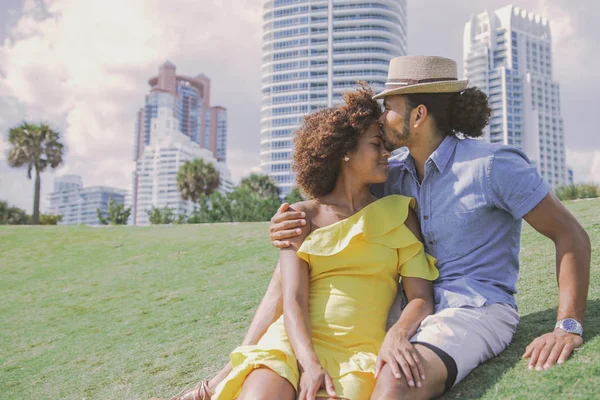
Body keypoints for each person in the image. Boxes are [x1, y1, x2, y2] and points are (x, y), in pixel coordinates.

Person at [161, 56, 591, 399]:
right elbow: (331, 217)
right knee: (294, 261)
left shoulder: (493, 166)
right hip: (403, 306)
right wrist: (288, 223)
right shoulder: (393, 174)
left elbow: (570, 234)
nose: (382, 119)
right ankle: (232, 368)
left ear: (418, 114)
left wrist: (566, 325)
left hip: (470, 307)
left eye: (389, 108)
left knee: (395, 382)